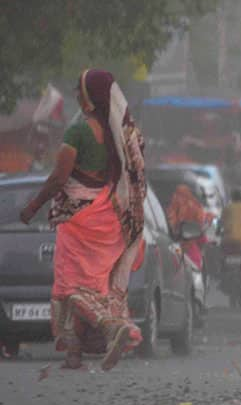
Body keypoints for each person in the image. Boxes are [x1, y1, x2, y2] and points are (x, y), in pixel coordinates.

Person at [19, 69, 146, 371]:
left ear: (91, 95)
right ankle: (75, 353)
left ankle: (110, 328)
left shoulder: (78, 132)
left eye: (80, 89)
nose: (77, 94)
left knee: (69, 287)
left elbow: (59, 177)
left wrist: (33, 206)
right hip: (109, 217)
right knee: (94, 285)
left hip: (78, 219)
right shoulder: (121, 135)